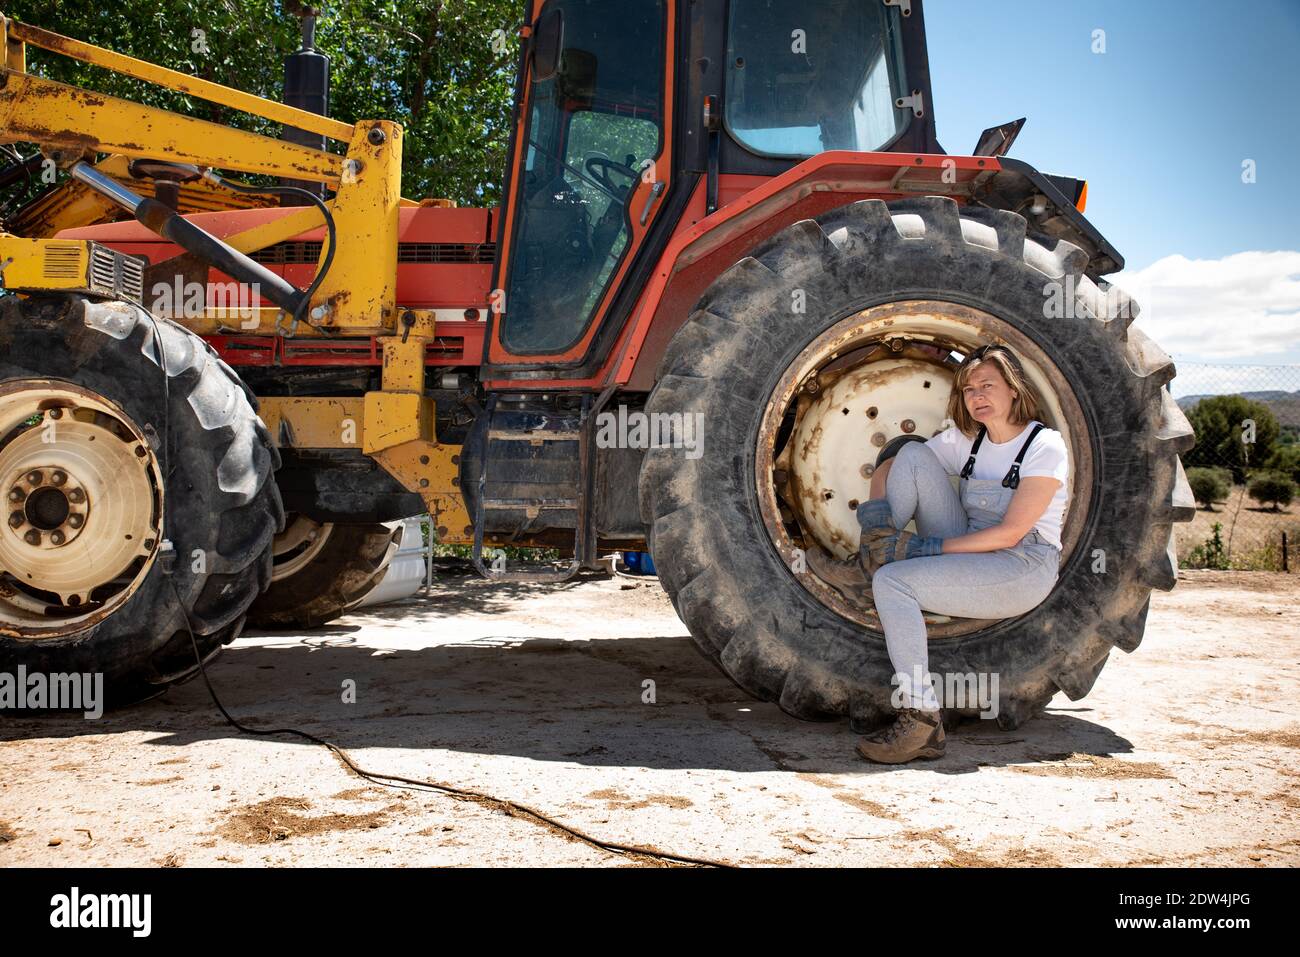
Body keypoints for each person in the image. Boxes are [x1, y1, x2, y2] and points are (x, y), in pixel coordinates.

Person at [852, 344, 1070, 763]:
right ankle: (871, 558)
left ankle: (922, 721)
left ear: (1013, 388)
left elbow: (1010, 533)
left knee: (893, 583)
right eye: (969, 389)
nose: (977, 396)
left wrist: (923, 548)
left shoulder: (1045, 446)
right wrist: (878, 527)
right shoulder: (969, 441)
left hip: (1019, 565)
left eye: (987, 385)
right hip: (969, 544)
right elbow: (895, 466)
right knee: (911, 454)